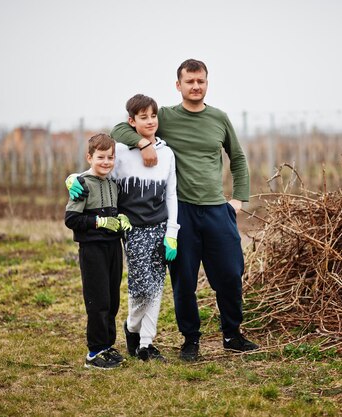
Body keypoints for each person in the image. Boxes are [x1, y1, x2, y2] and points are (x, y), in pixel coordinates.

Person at [110, 58, 258, 361]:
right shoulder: (164, 116)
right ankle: (190, 340)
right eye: (189, 81)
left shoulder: (219, 118)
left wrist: (238, 199)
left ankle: (232, 334)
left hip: (218, 210)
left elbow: (238, 159)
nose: (195, 86)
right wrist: (142, 143)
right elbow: (118, 129)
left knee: (231, 273)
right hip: (181, 214)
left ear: (207, 83)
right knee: (184, 281)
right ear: (178, 85)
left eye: (200, 81)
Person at [66, 94, 179, 362]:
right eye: (143, 117)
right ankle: (130, 330)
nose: (150, 121)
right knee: (141, 288)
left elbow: (171, 195)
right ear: (132, 121)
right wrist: (71, 177)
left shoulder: (167, 154)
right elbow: (96, 172)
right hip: (131, 232)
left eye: (153, 116)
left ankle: (145, 344)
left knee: (156, 286)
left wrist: (172, 233)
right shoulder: (121, 153)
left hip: (160, 228)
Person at [64, 133, 132, 370]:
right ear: (89, 157)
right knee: (98, 301)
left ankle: (107, 346)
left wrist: (119, 218)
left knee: (112, 299)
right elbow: (72, 219)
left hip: (114, 248)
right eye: (100, 157)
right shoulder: (81, 185)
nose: (106, 162)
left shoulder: (112, 184)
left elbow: (116, 211)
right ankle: (93, 353)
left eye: (110, 157)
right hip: (93, 250)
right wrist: (99, 222)